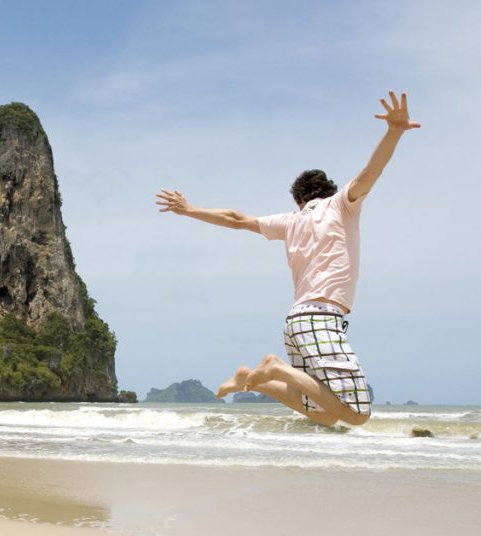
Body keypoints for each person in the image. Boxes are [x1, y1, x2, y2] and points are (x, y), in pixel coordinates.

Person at [156, 91, 420, 426]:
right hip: (321, 317)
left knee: (326, 417)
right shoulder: (341, 205)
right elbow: (369, 174)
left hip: (296, 321)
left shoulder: (291, 221)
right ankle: (276, 369)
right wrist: (394, 132)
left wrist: (189, 209)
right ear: (327, 190)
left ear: (299, 200)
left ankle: (260, 380)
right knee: (357, 413)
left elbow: (236, 219)